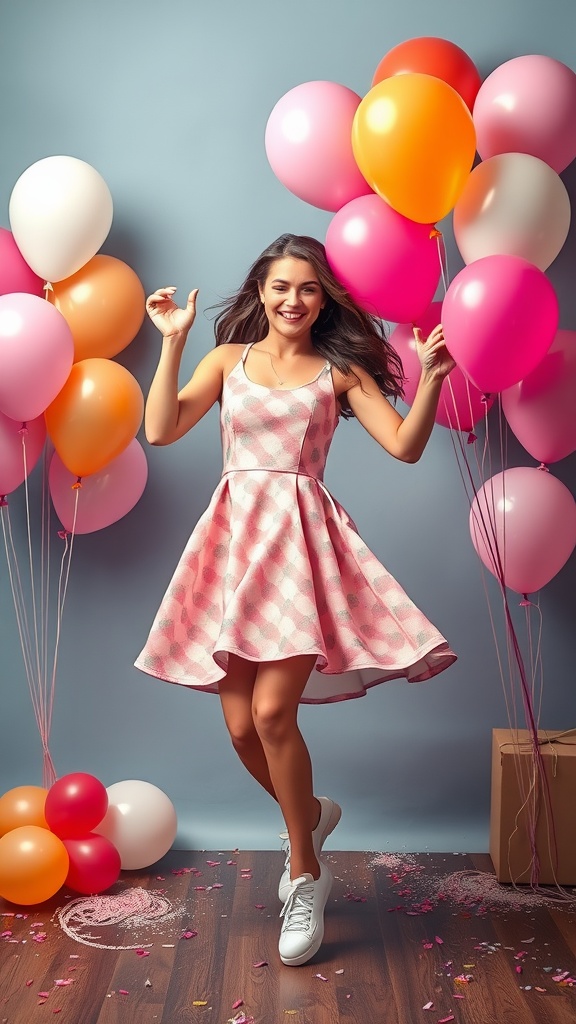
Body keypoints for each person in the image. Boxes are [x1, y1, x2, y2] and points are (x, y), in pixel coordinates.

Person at [135, 233, 457, 967]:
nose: (292, 300)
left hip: (301, 549)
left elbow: (404, 446)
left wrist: (432, 377)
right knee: (243, 728)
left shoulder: (338, 372)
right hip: (233, 546)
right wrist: (173, 343)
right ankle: (309, 815)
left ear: (324, 299)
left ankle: (305, 870)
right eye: (280, 286)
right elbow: (158, 429)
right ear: (260, 291)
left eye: (307, 288)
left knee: (275, 712)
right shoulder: (227, 361)